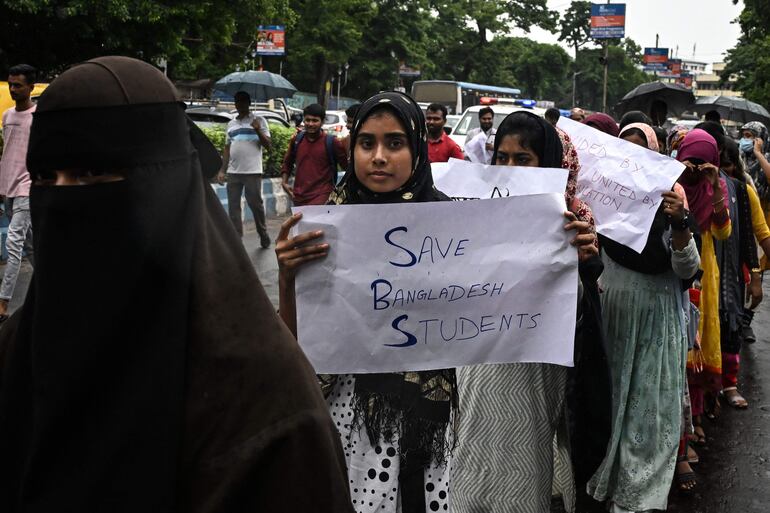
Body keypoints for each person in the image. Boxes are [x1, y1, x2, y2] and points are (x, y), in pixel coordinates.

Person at [0, 56, 353, 513]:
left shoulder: (263, 404)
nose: (65, 200)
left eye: (91, 175)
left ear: (166, 184)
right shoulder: (16, 351)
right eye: (48, 178)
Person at [275, 91, 456, 512]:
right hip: (347, 415)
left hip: (426, 424)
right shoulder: (322, 230)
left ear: (416, 150)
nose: (379, 157)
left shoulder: (453, 230)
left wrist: (563, 256)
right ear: (352, 148)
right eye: (367, 143)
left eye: (395, 143)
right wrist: (288, 278)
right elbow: (291, 344)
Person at [450, 111, 602, 513]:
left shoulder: (573, 224)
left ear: (549, 165)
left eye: (523, 159)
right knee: (468, 467)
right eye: (501, 157)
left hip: (533, 375)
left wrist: (584, 264)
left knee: (524, 475)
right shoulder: (468, 215)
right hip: (475, 368)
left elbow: (583, 322)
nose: (509, 169)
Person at [587, 123, 700, 509]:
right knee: (611, 399)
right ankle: (607, 476)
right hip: (614, 315)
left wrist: (680, 222)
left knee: (648, 410)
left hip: (657, 321)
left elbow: (687, 270)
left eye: (642, 152)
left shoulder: (673, 201)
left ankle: (639, 492)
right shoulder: (603, 200)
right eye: (625, 151)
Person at [676, 129, 732, 454]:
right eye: (691, 159)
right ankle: (683, 430)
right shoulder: (672, 183)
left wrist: (714, 186)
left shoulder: (716, 186)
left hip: (705, 271)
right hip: (678, 268)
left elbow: (723, 231)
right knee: (681, 348)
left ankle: (695, 417)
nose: (695, 167)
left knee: (698, 346)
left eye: (702, 161)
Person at [0, 64, 37, 323]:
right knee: (30, 244)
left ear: (30, 87)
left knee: (13, 244)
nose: (13, 89)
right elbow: (8, 153)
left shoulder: (38, 117)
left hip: (27, 186)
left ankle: (2, 304)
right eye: (11, 84)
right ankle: (53, 283)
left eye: (18, 85)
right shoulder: (7, 115)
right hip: (7, 187)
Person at [216, 90, 272, 248]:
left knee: (256, 205)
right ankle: (237, 239)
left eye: (242, 101)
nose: (239, 104)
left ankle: (263, 233)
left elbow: (269, 146)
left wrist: (257, 130)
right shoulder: (231, 124)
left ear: (248, 103)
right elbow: (227, 148)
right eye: (236, 101)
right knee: (233, 208)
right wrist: (222, 170)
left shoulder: (259, 120)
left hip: (252, 172)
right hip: (234, 173)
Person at [281, 103, 347, 205]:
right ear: (304, 120)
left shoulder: (332, 142)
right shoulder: (297, 139)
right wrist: (284, 182)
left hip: (322, 198)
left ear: (322, 121)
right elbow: (287, 162)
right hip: (299, 197)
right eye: (308, 120)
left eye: (315, 120)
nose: (311, 124)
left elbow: (347, 168)